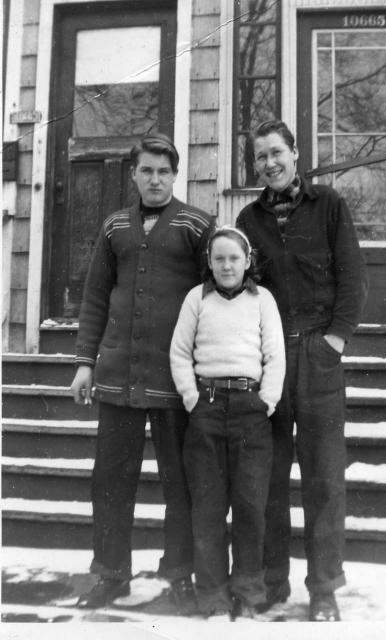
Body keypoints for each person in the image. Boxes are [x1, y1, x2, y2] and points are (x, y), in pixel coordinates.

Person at [70, 134, 215, 610]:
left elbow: (213, 301)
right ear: (133, 174)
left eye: (164, 172)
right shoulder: (114, 227)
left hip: (177, 381)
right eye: (147, 170)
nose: (155, 179)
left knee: (182, 481)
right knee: (110, 479)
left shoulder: (197, 225)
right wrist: (84, 363)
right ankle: (112, 573)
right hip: (117, 376)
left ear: (176, 175)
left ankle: (180, 574)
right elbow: (94, 299)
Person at [236, 120, 368, 621]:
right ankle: (273, 582)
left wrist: (335, 339)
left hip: (317, 354)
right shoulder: (248, 219)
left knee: (323, 476)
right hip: (270, 359)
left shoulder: (328, 205)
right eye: (261, 157)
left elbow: (353, 277)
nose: (270, 163)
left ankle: (324, 588)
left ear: (295, 153)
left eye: (277, 153)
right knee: (267, 476)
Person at [170, 227, 285, 619]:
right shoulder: (196, 299)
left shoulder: (261, 300)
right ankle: (214, 596)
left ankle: (249, 593)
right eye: (219, 258)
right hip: (207, 408)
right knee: (208, 507)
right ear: (209, 263)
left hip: (250, 411)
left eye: (234, 258)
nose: (226, 265)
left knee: (251, 506)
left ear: (247, 261)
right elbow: (180, 353)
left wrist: (265, 401)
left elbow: (275, 356)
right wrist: (192, 398)